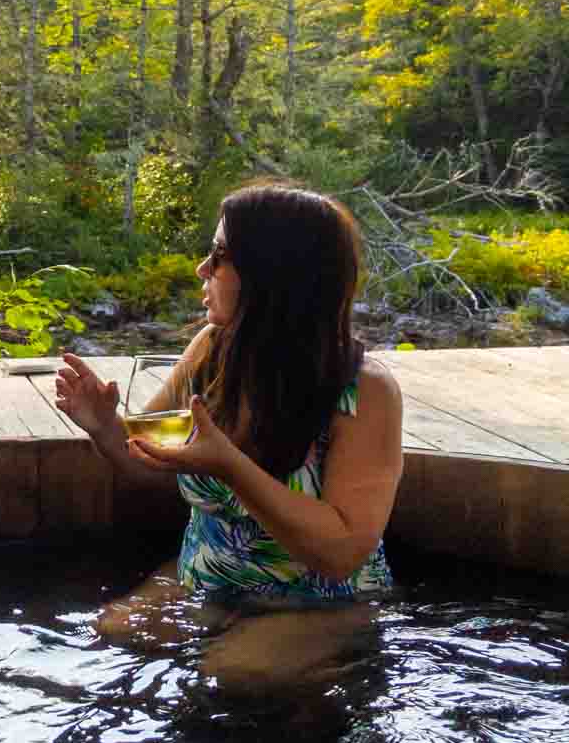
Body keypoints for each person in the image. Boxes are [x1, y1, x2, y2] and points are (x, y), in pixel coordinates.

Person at [55, 179, 404, 695]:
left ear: (272, 275)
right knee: (113, 634)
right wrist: (106, 430)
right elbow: (144, 456)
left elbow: (341, 552)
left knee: (235, 676)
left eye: (219, 255)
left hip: (319, 600)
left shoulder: (364, 390)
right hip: (207, 579)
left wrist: (229, 465)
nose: (203, 269)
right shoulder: (210, 351)